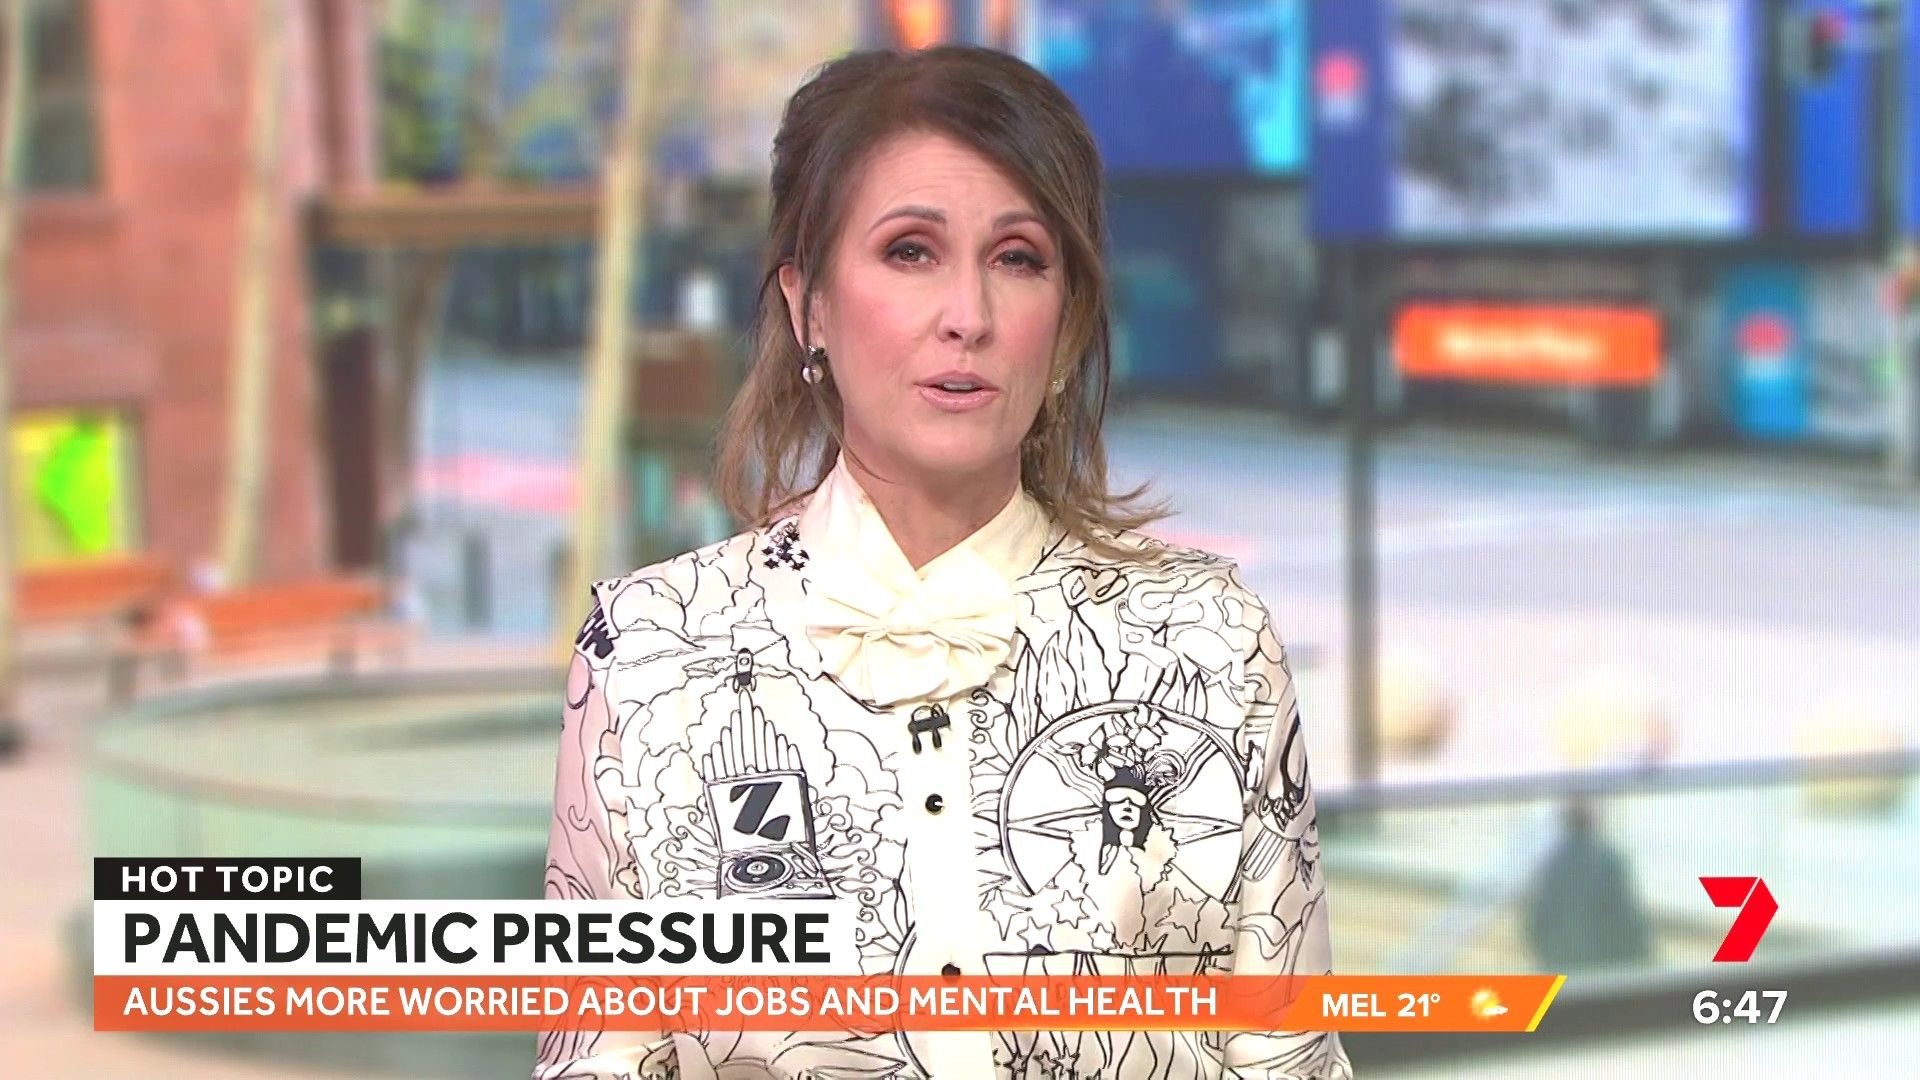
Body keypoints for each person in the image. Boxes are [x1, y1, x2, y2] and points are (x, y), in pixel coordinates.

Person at [537, 45, 1351, 1080]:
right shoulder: (648, 653)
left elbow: (1289, 1054)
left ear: (1067, 324)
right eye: (911, 251)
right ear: (808, 304)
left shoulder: (1210, 640)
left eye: (1018, 258)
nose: (968, 315)